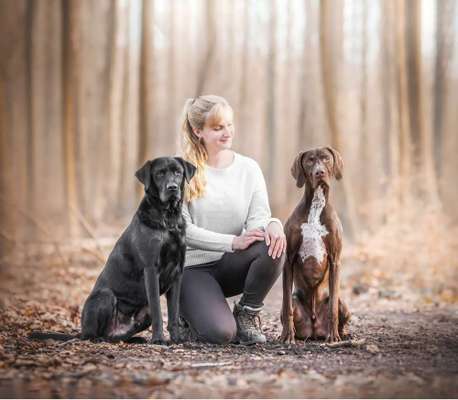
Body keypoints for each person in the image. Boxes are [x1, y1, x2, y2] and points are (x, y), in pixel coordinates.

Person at [179, 95, 286, 345]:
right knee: (221, 334)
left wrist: (274, 224)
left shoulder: (249, 169)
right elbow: (182, 231)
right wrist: (232, 242)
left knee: (273, 243)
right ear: (198, 131)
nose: (227, 132)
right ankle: (186, 316)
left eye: (229, 124)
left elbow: (259, 218)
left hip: (230, 264)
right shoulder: (181, 170)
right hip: (191, 269)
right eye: (218, 128)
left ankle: (247, 314)